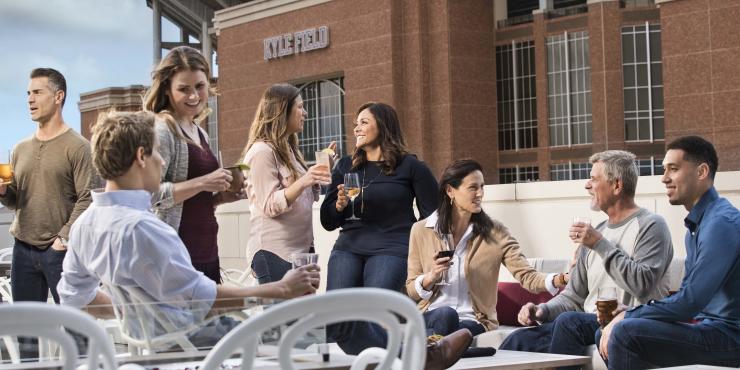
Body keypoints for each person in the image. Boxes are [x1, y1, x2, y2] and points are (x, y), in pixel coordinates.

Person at [57, 111, 319, 347]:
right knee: (302, 341)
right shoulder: (145, 229)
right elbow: (203, 301)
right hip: (201, 345)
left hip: (155, 346)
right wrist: (282, 289)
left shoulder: (85, 225)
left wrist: (136, 311)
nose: (162, 161)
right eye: (157, 152)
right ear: (141, 156)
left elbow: (74, 297)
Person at [499, 150, 674, 368]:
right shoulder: (594, 234)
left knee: (569, 322)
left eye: (593, 178)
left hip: (630, 321)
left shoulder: (651, 226)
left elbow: (642, 285)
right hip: (585, 323)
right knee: (516, 341)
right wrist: (543, 310)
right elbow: (573, 297)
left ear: (617, 185)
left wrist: (600, 244)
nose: (587, 185)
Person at [598, 136, 740, 369]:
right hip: (709, 329)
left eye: (673, 169)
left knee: (624, 332)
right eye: (664, 170)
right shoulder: (697, 226)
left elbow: (688, 303)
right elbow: (685, 296)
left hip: (730, 337)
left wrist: (630, 316)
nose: (664, 178)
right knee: (606, 333)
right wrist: (632, 312)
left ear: (702, 171)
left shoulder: (721, 224)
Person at [320, 102, 439, 355]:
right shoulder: (345, 166)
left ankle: (396, 359)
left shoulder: (411, 167)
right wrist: (339, 206)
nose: (356, 129)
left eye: (364, 122)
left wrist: (421, 257)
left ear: (383, 127)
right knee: (337, 319)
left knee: (376, 316)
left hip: (391, 249)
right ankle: (412, 356)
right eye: (355, 123)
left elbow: (433, 217)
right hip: (348, 248)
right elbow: (328, 221)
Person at [406, 159, 566, 338]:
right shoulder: (421, 231)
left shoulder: (495, 233)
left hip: (474, 321)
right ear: (450, 190)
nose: (480, 193)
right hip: (433, 316)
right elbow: (411, 290)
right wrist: (430, 277)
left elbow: (527, 276)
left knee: (458, 331)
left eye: (482, 187)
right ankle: (438, 347)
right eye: (473, 188)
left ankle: (427, 347)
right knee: (446, 315)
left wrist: (561, 279)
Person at [0, 67, 97, 358]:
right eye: (28, 93)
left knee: (77, 332)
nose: (30, 99)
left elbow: (88, 197)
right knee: (27, 333)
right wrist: (4, 193)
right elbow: (17, 201)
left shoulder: (78, 148)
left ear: (58, 96)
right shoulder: (19, 149)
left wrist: (62, 239)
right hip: (23, 250)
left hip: (62, 252)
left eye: (37, 92)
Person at [144, 46, 243, 283]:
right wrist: (204, 182)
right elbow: (150, 195)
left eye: (199, 86)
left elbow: (195, 200)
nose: (193, 96)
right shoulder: (162, 129)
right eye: (183, 89)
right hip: (176, 254)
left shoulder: (200, 133)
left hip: (207, 251)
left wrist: (221, 198)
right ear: (167, 90)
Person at [241, 84, 331, 284]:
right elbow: (269, 205)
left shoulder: (291, 150)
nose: (305, 113)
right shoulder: (261, 152)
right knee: (283, 315)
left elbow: (303, 197)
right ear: (282, 111)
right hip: (275, 251)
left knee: (304, 315)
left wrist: (317, 175)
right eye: (300, 107)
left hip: (302, 251)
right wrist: (305, 179)